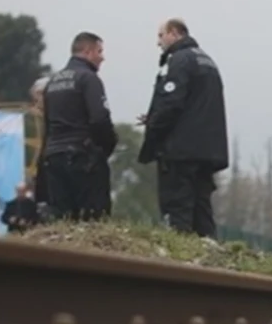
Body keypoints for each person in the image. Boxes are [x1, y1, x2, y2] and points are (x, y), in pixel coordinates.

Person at [139, 18, 229, 238]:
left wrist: (154, 126)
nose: (158, 43)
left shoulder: (178, 60)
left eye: (160, 36)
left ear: (174, 33)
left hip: (179, 152)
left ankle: (177, 264)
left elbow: (172, 102)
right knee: (202, 212)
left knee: (177, 211)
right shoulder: (208, 61)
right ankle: (208, 261)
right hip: (206, 152)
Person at [36, 32, 118, 221]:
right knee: (93, 218)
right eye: (100, 51)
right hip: (82, 157)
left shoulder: (52, 82)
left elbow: (47, 127)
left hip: (54, 157)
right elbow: (100, 119)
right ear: (87, 51)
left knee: (63, 219)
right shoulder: (88, 78)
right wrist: (106, 148)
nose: (102, 57)